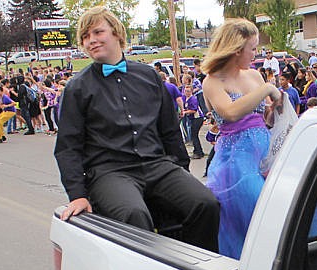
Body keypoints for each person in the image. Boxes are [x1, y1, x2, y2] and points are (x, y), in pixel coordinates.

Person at [54, 6, 219, 253]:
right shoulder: (77, 88)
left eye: (98, 32)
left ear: (117, 34)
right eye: (85, 37)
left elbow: (169, 130)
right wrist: (77, 194)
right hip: (110, 172)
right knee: (134, 215)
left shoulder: (149, 76)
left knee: (205, 203)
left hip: (157, 165)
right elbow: (68, 148)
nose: (91, 40)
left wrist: (181, 170)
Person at [201, 17, 282, 258]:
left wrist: (274, 112)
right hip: (235, 168)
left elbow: (261, 116)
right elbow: (231, 112)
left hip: (265, 160)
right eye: (253, 48)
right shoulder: (212, 81)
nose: (256, 54)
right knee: (261, 221)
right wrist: (267, 89)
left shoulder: (254, 76)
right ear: (236, 50)